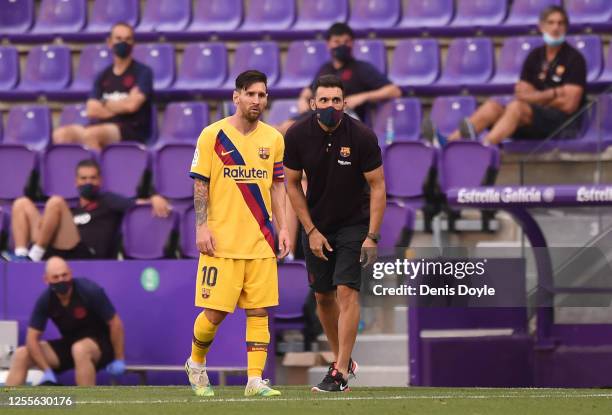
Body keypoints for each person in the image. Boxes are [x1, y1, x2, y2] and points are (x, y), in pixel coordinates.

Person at [185, 70, 291, 397]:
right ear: (236, 97)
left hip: (260, 239)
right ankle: (196, 363)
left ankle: (254, 380)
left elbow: (277, 186)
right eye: (251, 94)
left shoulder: (273, 139)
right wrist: (202, 226)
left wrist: (284, 226)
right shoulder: (212, 136)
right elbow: (200, 184)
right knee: (215, 313)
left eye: (262, 95)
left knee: (259, 311)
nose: (257, 100)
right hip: (221, 241)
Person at [284, 74, 386, 392]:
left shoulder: (362, 136)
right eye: (324, 100)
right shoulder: (298, 134)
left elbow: (378, 186)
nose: (330, 106)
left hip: (353, 224)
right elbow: (290, 183)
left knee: (346, 292)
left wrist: (372, 235)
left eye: (336, 100)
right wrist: (310, 229)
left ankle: (340, 372)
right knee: (323, 297)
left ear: (344, 103)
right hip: (316, 225)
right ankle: (341, 358)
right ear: (313, 103)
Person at [426, 5, 586, 146]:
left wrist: (536, 97)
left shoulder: (574, 58)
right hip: (532, 119)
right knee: (492, 107)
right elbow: (523, 95)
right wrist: (554, 94)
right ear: (541, 27)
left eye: (560, 23)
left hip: (561, 124)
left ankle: (483, 149)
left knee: (516, 107)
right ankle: (449, 144)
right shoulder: (535, 56)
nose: (555, 28)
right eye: (551, 23)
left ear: (566, 28)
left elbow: (569, 105)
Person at [7, 159, 170, 261]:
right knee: (21, 203)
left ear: (100, 180)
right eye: (83, 179)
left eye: (93, 178)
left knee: (55, 202)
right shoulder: (73, 209)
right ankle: (21, 255)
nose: (88, 182)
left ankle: (34, 255)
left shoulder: (108, 200)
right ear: (76, 182)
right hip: (60, 250)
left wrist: (153, 198)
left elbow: (135, 205)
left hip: (87, 254)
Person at [5, 256, 125, 386]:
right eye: (55, 277)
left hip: (100, 346)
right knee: (22, 353)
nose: (61, 280)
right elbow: (31, 338)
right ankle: (8, 403)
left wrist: (119, 358)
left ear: (71, 274)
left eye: (64, 275)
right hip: (70, 345)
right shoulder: (45, 300)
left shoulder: (89, 290)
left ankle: (88, 404)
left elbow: (115, 323)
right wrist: (46, 370)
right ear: (46, 280)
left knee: (79, 349)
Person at [275, 22, 401, 135]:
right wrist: (302, 99)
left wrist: (363, 97)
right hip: (319, 114)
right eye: (337, 42)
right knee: (280, 128)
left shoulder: (361, 68)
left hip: (346, 117)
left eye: (346, 42)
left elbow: (394, 91)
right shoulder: (325, 68)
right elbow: (309, 89)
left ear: (352, 43)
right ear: (328, 44)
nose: (342, 45)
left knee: (288, 128)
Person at [53, 22, 154, 151]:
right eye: (118, 39)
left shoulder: (143, 72)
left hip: (130, 129)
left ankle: (98, 171)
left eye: (128, 39)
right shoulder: (102, 75)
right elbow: (92, 110)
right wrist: (122, 104)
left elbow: (132, 106)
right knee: (61, 135)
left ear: (133, 43)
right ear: (109, 42)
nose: (123, 43)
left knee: (92, 135)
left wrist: (104, 103)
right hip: (101, 126)